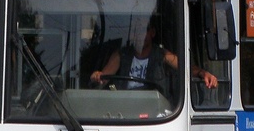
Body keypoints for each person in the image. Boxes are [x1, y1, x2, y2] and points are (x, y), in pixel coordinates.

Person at [90, 15, 218, 92]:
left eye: (142, 30)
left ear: (152, 33)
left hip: (153, 111)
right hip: (125, 109)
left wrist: (203, 73)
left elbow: (185, 67)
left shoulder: (162, 55)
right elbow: (103, 77)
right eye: (135, 30)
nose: (139, 35)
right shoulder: (121, 55)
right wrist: (97, 76)